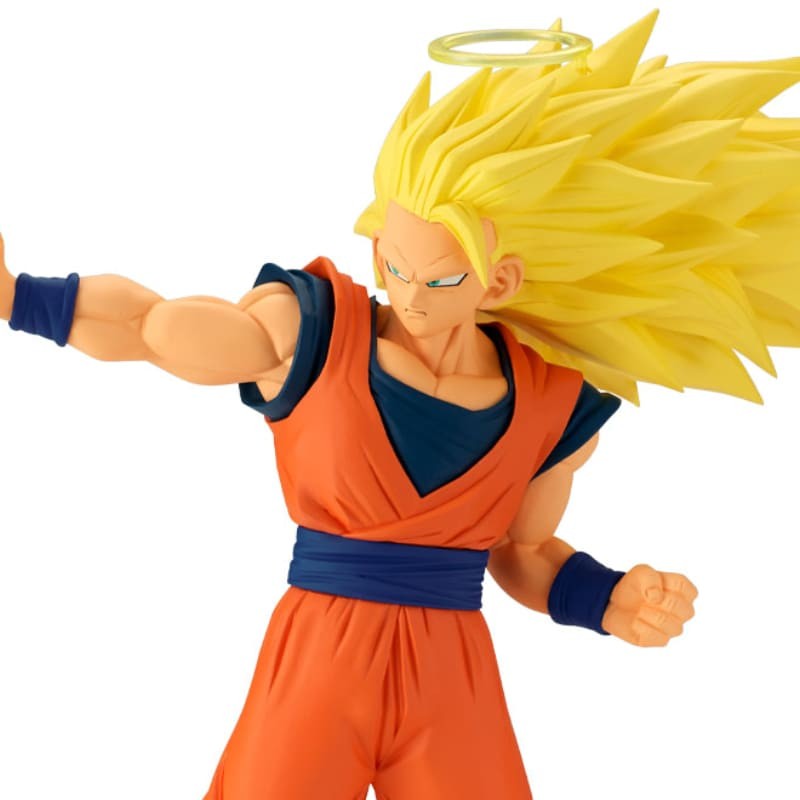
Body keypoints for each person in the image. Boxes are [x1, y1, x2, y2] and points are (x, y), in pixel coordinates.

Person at [3, 8, 799, 799]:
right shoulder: (308, 334)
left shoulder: (553, 399)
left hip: (452, 674)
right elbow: (148, 326)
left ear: (501, 280)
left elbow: (523, 552)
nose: (410, 295)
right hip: (319, 658)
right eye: (394, 264)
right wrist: (18, 298)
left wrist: (607, 598)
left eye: (441, 277)